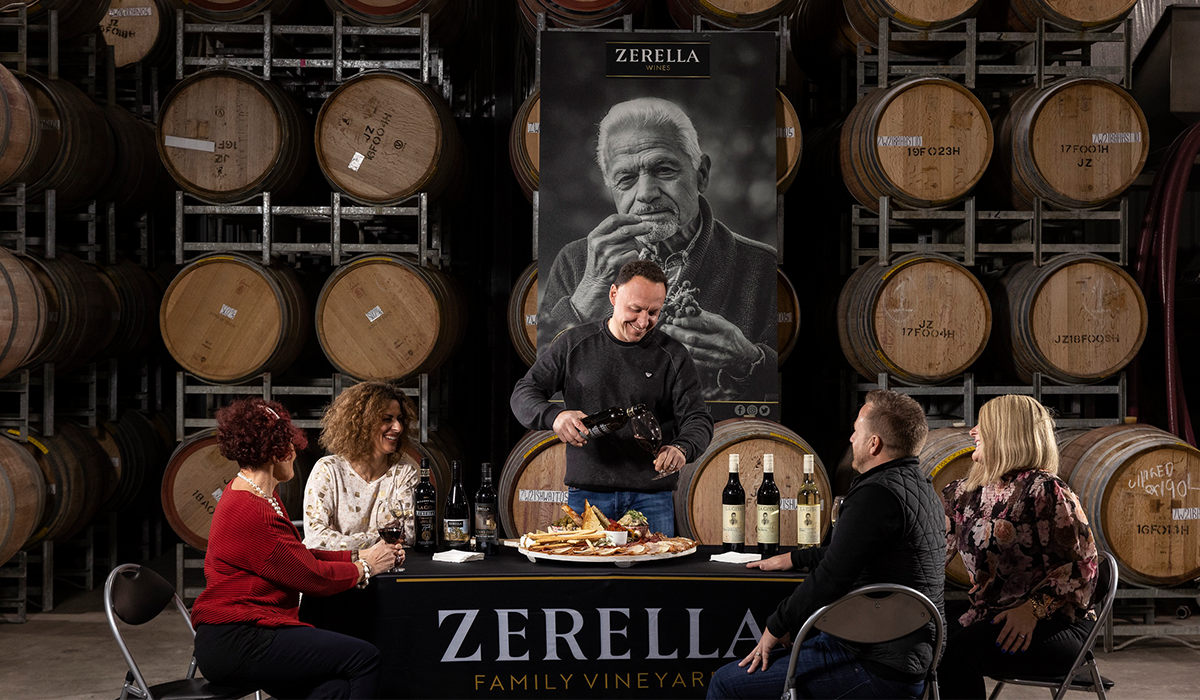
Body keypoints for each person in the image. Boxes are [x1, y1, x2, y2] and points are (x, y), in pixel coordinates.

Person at [708, 389, 945, 700]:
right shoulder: (920, 488)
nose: (850, 438)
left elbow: (833, 578)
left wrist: (776, 626)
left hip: (877, 665)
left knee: (727, 683)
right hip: (905, 651)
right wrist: (798, 558)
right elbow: (863, 552)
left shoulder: (876, 495)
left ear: (874, 444)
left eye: (857, 430)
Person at [539, 96, 777, 400]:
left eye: (664, 170)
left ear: (701, 174)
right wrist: (590, 290)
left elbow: (782, 393)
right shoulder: (575, 262)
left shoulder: (761, 266)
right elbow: (543, 385)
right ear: (609, 186)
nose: (647, 194)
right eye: (626, 178)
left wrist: (748, 360)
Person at [191, 398, 402, 700]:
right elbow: (312, 577)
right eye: (289, 445)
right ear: (273, 451)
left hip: (252, 632)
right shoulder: (251, 510)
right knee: (363, 658)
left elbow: (297, 556)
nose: (294, 453)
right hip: (241, 638)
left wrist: (356, 556)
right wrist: (366, 567)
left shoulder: (259, 497)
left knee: (335, 691)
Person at [511, 259, 714, 536]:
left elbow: (697, 418)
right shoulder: (574, 345)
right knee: (587, 578)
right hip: (589, 498)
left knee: (652, 578)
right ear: (614, 295)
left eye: (654, 312)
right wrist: (554, 417)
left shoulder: (673, 355)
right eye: (636, 309)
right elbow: (524, 393)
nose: (644, 322)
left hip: (651, 498)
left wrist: (682, 448)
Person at [938, 395, 1099, 699]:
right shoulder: (965, 494)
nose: (973, 432)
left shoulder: (1045, 490)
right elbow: (933, 555)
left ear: (1006, 433)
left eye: (982, 425)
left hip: (1055, 622)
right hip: (992, 610)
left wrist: (1032, 609)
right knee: (924, 635)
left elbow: (1083, 570)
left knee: (955, 654)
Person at [303, 382, 419, 551]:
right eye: (387, 419)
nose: (398, 427)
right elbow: (316, 539)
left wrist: (342, 540)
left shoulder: (404, 471)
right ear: (362, 424)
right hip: (340, 572)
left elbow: (408, 535)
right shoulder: (328, 470)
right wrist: (380, 539)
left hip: (387, 569)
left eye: (399, 419)